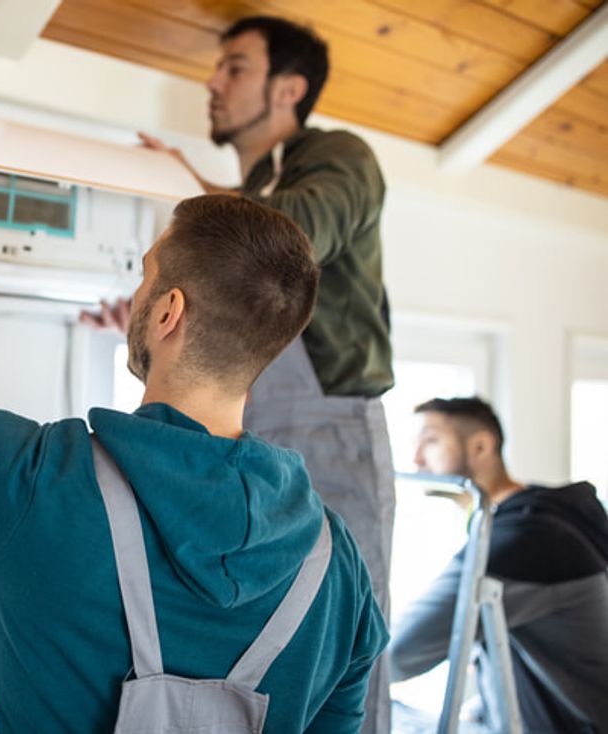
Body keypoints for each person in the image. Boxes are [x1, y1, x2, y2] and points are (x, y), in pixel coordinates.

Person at [0, 190, 388, 732]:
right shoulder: (338, 569)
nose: (137, 291)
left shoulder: (39, 481)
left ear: (169, 310)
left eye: (146, 274)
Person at [83, 16, 395, 732]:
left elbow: (283, 246)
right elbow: (243, 273)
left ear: (288, 88)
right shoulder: (257, 182)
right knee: (257, 636)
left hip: (331, 421)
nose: (212, 83)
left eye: (234, 68)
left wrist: (197, 213)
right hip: (253, 424)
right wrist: (157, 316)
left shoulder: (339, 155)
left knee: (345, 637)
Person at [390, 396, 608, 732]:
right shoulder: (542, 518)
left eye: (430, 441)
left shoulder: (528, 539)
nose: (416, 458)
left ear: (480, 446)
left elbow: (396, 654)